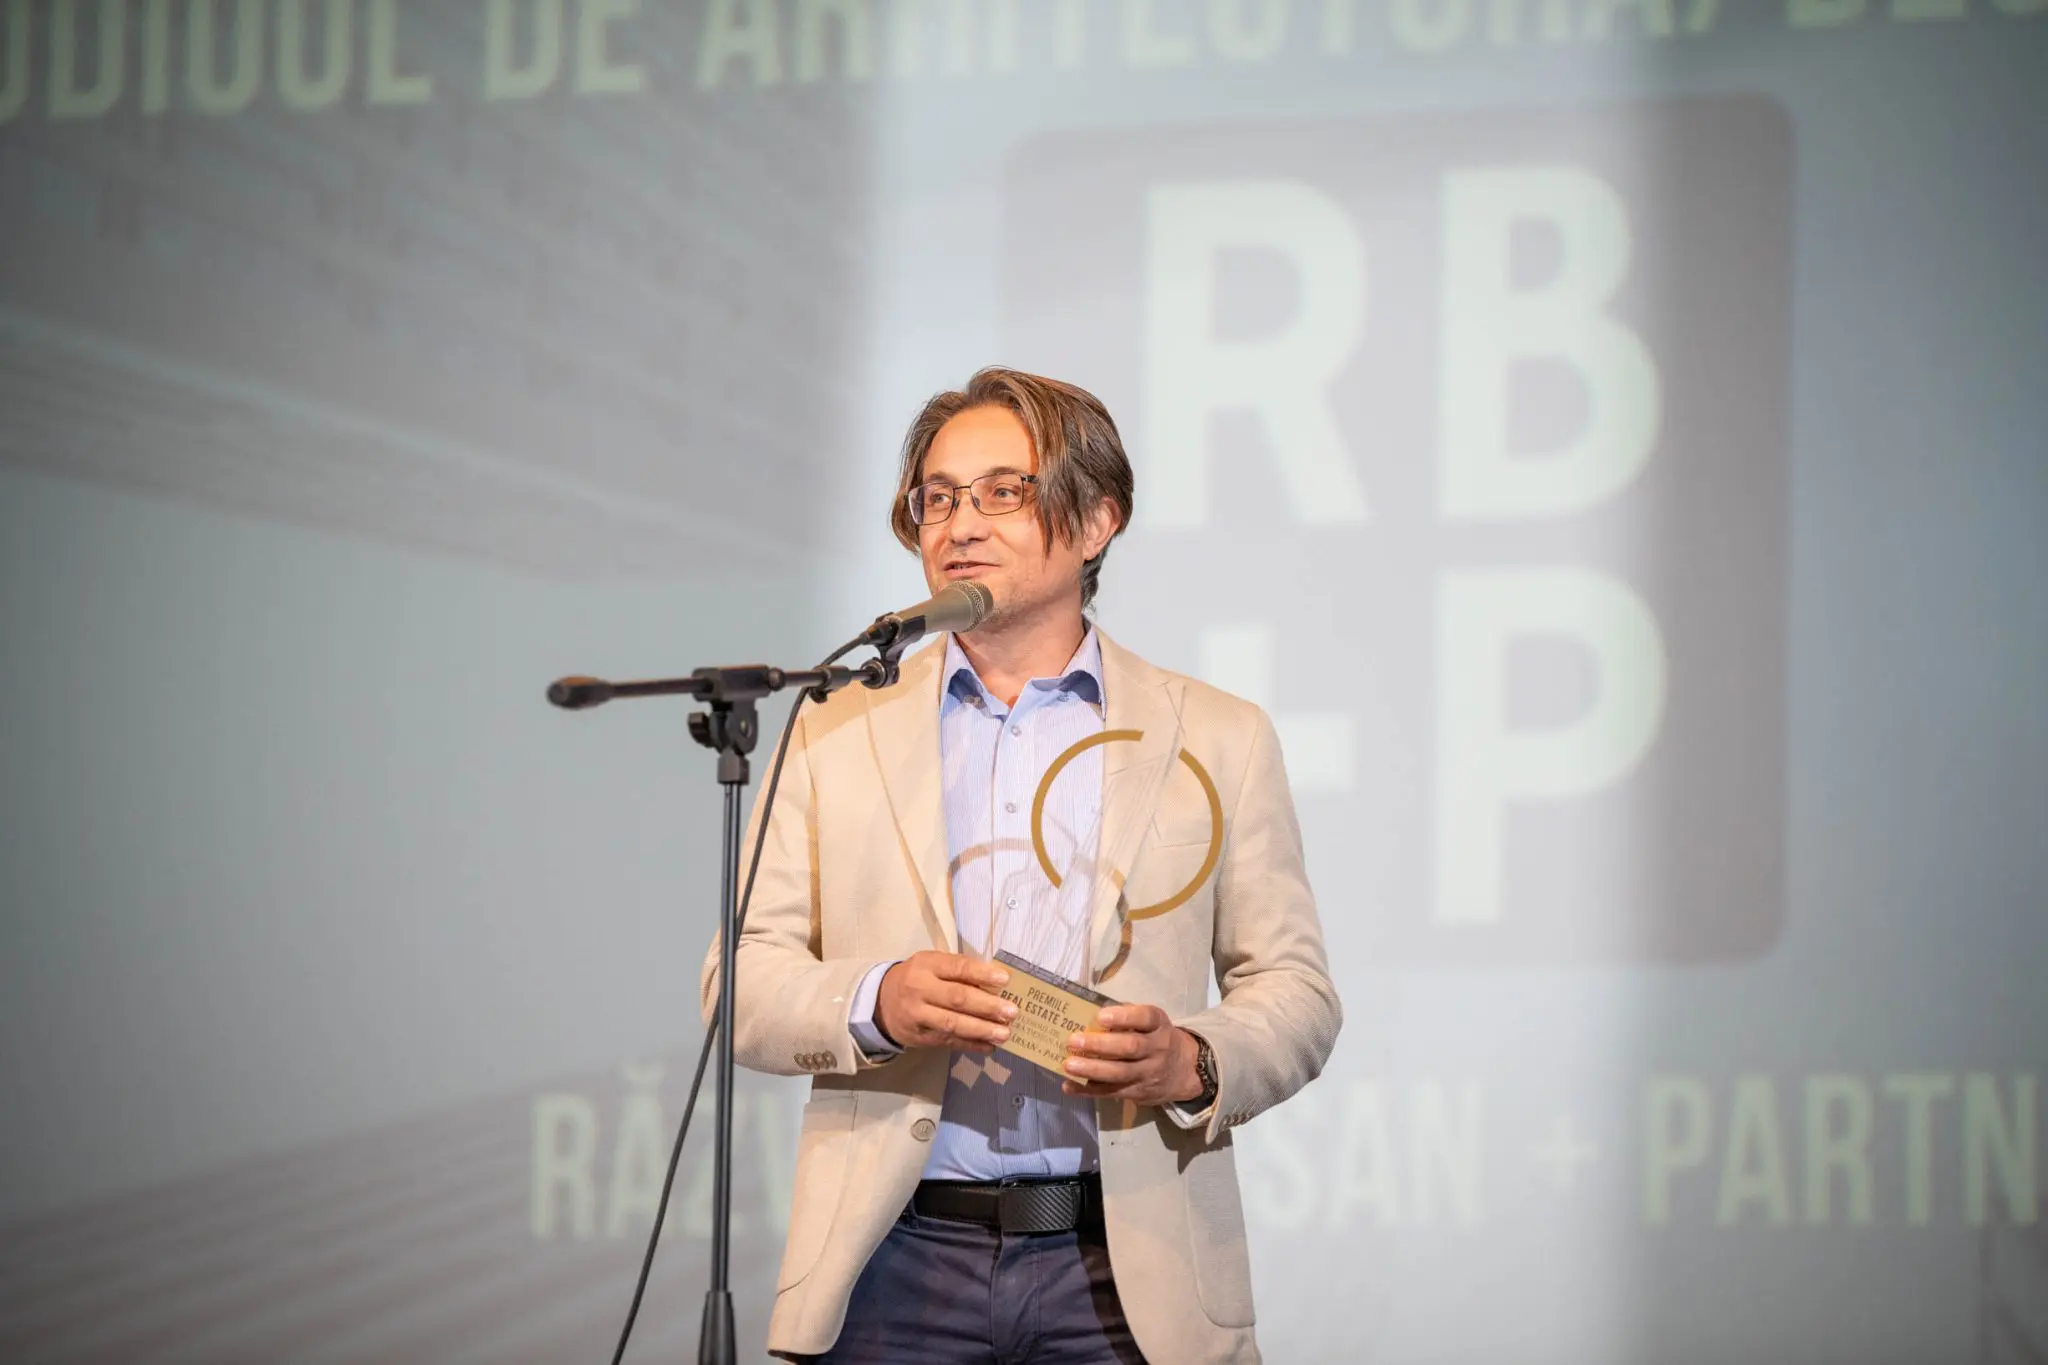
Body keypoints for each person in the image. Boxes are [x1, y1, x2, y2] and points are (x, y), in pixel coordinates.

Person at [700, 367, 1341, 1364]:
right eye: (937, 498)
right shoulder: (833, 726)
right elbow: (736, 983)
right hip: (892, 1260)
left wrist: (1191, 1059)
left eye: (1003, 492)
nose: (960, 523)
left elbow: (1295, 990)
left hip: (1127, 1266)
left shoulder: (1219, 735)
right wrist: (878, 1000)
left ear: (1096, 521)